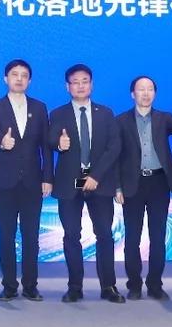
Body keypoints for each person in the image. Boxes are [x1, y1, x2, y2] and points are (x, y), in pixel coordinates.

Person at [49, 64, 122, 303]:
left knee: (105, 235)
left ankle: (109, 286)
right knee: (71, 235)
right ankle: (75, 286)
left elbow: (114, 147)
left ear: (91, 84)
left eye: (84, 81)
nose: (80, 86)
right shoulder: (57, 114)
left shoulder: (106, 113)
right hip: (69, 183)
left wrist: (96, 176)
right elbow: (49, 141)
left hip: (99, 182)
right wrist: (59, 144)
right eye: (75, 82)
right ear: (67, 86)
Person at [0, 59, 53, 302]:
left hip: (33, 182)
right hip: (5, 182)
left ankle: (31, 285)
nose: (19, 79)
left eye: (24, 75)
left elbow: (45, 146)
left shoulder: (39, 107)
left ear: (30, 80)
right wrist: (2, 141)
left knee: (31, 236)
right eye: (14, 74)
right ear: (6, 78)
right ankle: (9, 286)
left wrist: (48, 177)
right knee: (6, 236)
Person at [114, 76, 172, 301]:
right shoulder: (120, 121)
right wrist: (117, 187)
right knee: (132, 237)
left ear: (155, 93)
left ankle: (155, 284)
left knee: (158, 236)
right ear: (133, 94)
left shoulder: (165, 118)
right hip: (132, 184)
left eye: (150, 89)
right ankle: (134, 284)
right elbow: (116, 157)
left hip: (159, 183)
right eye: (141, 89)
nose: (146, 93)